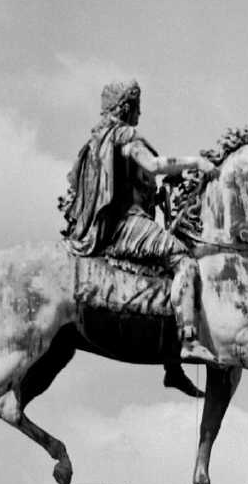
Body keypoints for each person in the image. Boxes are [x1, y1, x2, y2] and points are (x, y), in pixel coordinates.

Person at [59, 78, 219, 373]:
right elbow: (154, 165)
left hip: (117, 225)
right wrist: (196, 162)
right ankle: (188, 342)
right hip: (127, 225)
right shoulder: (123, 136)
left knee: (164, 281)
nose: (140, 114)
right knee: (185, 262)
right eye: (138, 107)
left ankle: (172, 369)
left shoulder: (97, 141)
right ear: (127, 107)